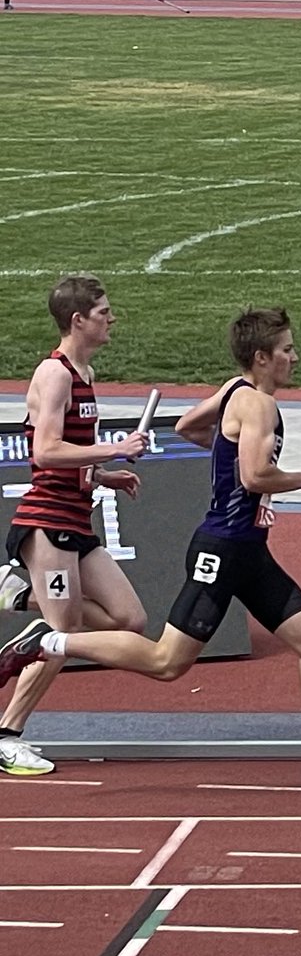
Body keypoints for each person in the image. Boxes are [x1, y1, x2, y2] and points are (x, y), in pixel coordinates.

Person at [1, 307, 301, 772]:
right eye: (287, 350)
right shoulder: (259, 405)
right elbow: (254, 476)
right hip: (223, 549)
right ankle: (50, 644)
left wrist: (232, 461)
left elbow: (189, 427)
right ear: (262, 357)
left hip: (249, 550)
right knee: (167, 662)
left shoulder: (232, 389)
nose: (296, 357)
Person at [0, 274, 150, 776]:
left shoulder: (84, 374)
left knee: (129, 620)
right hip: (46, 523)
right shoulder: (56, 374)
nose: (112, 319)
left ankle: (18, 598)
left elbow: (66, 456)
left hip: (75, 522)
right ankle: (8, 734)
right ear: (77, 319)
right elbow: (43, 451)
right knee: (62, 632)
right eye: (104, 312)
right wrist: (115, 446)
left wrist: (104, 473)